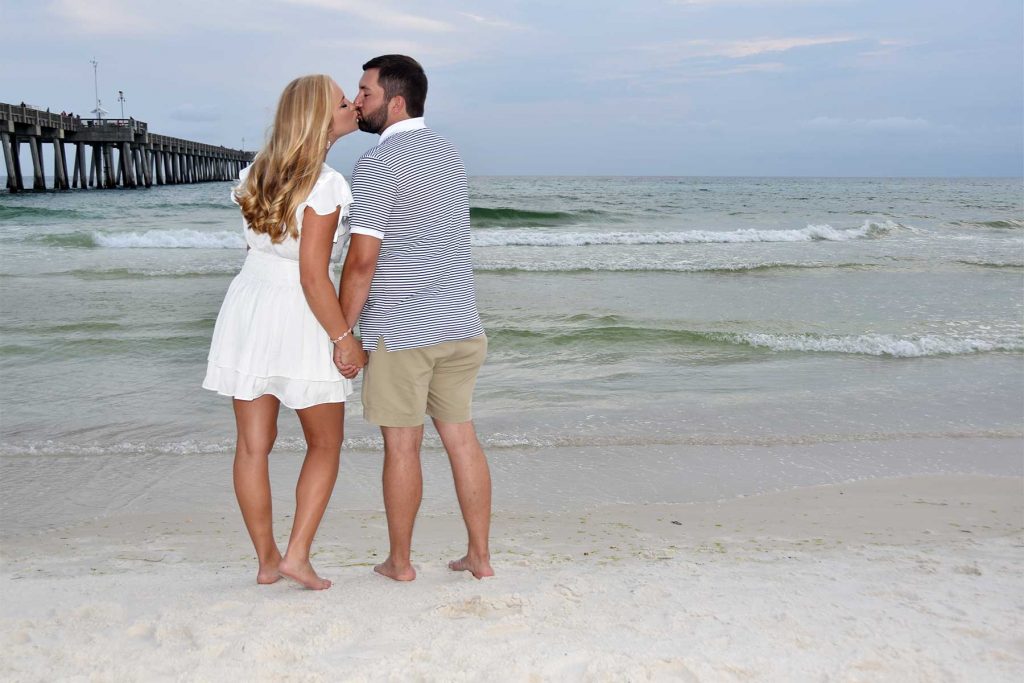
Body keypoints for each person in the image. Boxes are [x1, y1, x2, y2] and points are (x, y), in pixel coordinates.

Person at [203, 74, 364, 590]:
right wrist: (344, 339)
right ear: (321, 117)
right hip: (300, 312)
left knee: (253, 446)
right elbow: (312, 276)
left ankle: (268, 560)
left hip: (248, 303)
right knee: (325, 444)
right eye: (343, 102)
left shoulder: (255, 173)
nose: (352, 107)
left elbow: (254, 252)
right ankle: (297, 554)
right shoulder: (327, 183)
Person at [337, 55, 493, 581]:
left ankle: (400, 563)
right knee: (461, 439)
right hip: (461, 324)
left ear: (395, 102)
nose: (357, 102)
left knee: (402, 445)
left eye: (365, 92)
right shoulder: (447, 152)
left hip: (403, 330)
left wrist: (342, 331)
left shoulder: (379, 162)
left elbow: (362, 260)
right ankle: (480, 557)